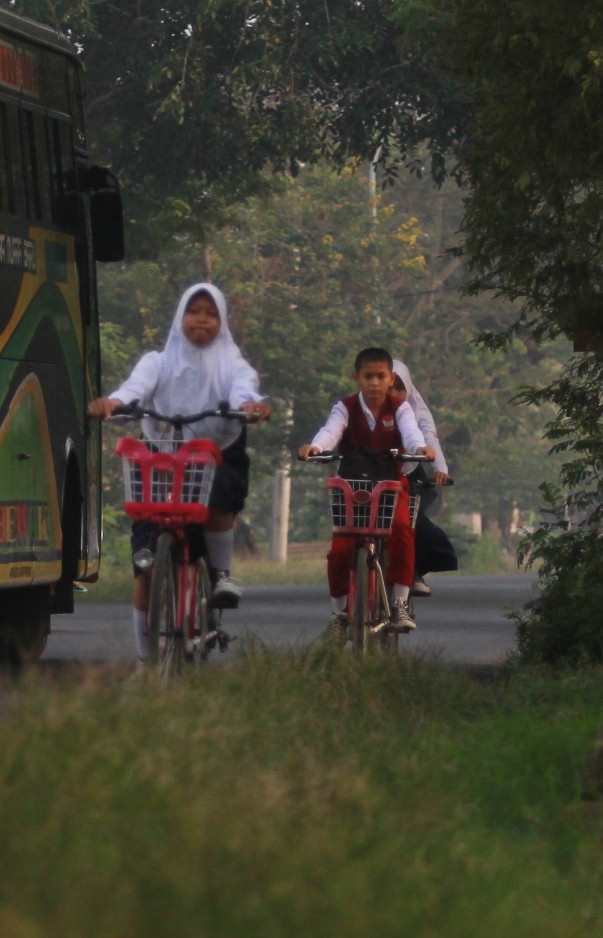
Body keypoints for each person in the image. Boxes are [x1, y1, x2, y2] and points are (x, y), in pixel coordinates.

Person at [88, 282, 270, 660]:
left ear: (221, 321)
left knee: (221, 497)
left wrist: (250, 405)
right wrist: (114, 403)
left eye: (210, 313)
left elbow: (243, 390)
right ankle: (145, 663)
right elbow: (133, 389)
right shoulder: (158, 361)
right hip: (162, 459)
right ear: (180, 316)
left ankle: (220, 575)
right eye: (194, 311)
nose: (201, 319)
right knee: (146, 568)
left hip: (216, 455)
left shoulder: (234, 364)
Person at [296, 346, 434, 636]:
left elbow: (411, 432)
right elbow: (331, 430)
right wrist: (316, 447)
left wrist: (420, 448)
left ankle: (399, 603)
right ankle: (339, 612)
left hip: (390, 485)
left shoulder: (400, 407)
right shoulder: (345, 407)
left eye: (380, 376)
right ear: (356, 377)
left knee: (401, 530)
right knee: (340, 549)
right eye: (368, 376)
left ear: (390, 378)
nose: (374, 383)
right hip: (352, 485)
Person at [391, 359, 458, 596]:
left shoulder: (414, 411)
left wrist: (439, 466)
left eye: (397, 389)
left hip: (408, 472)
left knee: (412, 522)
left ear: (407, 389)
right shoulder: (360, 407)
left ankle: (413, 570)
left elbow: (426, 436)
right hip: (372, 474)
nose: (390, 395)